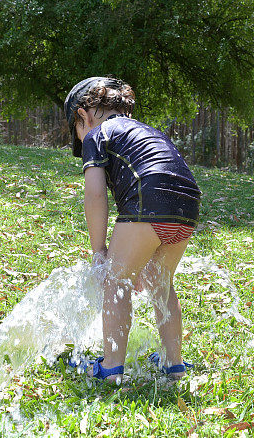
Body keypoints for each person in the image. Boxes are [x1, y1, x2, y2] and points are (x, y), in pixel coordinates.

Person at [63, 76, 201, 382]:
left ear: (81, 115)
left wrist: (99, 250)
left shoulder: (96, 134)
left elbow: (95, 195)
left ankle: (111, 366)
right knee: (161, 283)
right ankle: (173, 362)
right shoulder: (146, 131)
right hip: (187, 205)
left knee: (116, 281)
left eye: (77, 129)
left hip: (148, 200)